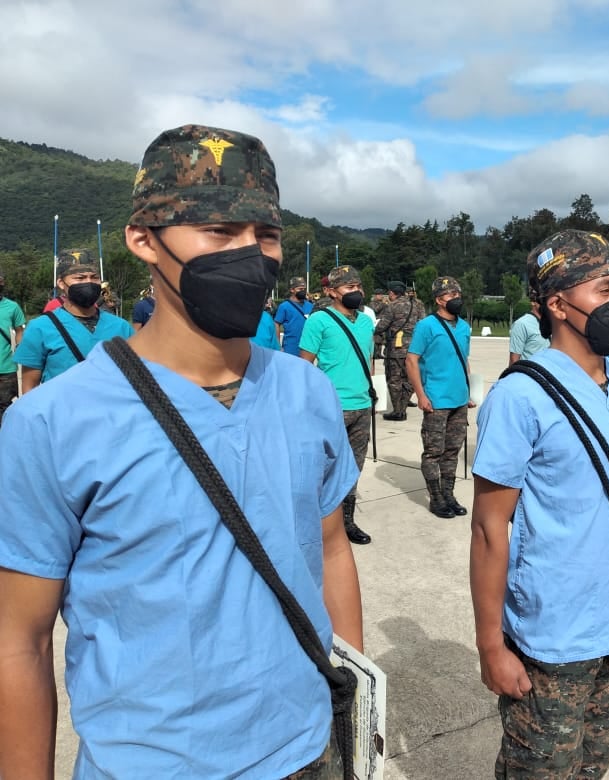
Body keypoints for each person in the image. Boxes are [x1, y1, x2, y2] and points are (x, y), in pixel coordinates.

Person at [0, 124, 364, 777]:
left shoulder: (307, 392)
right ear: (143, 238)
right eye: (219, 231)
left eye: (267, 234)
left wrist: (352, 707)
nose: (250, 254)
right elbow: (18, 641)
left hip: (307, 746)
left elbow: (331, 546)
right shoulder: (50, 422)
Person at [470, 229, 609, 780]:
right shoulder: (519, 396)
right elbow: (489, 529)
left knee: (596, 760)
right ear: (557, 304)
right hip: (552, 633)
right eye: (604, 289)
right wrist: (490, 646)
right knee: (541, 768)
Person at [300, 264, 375, 545]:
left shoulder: (366, 321)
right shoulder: (318, 321)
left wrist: (371, 392)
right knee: (323, 467)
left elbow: (368, 360)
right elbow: (304, 366)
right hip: (332, 407)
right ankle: (317, 520)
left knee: (353, 467)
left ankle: (347, 521)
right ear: (332, 292)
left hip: (362, 404)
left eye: (358, 286)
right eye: (349, 287)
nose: (356, 291)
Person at [14, 257, 133, 393]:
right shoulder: (40, 327)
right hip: (61, 406)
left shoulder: (121, 326)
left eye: (94, 277)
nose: (88, 282)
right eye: (80, 278)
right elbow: (30, 387)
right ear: (61, 283)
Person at [406, 276, 473, 518]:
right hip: (436, 399)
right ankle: (436, 498)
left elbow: (464, 360)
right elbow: (411, 360)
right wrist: (421, 395)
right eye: (450, 295)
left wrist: (468, 392)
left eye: (458, 294)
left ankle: (448, 494)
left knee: (452, 450)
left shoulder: (464, 327)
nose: (456, 298)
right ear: (439, 300)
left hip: (459, 399)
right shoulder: (427, 326)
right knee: (434, 451)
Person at [375, 281, 421, 421]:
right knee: (409, 379)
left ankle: (398, 411)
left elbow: (382, 326)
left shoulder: (392, 306)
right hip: (413, 347)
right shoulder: (416, 305)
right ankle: (403, 406)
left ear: (392, 293)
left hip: (396, 348)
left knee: (394, 379)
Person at [0, 273, 26, 423]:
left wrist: (20, 351)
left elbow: (20, 331)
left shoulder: (12, 306)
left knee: (5, 406)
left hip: (6, 367)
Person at [275, 275, 313, 356]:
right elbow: (276, 324)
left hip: (307, 347)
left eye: (304, 289)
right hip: (290, 347)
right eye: (300, 289)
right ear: (292, 290)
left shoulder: (310, 305)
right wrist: (278, 345)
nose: (303, 291)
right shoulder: (284, 306)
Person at [507, 296, 549, 366]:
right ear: (533, 302)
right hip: (530, 371)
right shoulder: (521, 324)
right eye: (543, 300)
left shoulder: (553, 323)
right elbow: (514, 360)